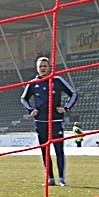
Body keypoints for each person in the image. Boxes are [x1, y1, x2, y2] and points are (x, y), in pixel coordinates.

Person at [20, 56, 78, 187]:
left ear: (49, 67)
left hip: (56, 121)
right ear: (37, 68)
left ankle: (62, 179)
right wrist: (30, 110)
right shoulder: (33, 83)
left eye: (44, 66)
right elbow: (23, 99)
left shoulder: (57, 80)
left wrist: (66, 108)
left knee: (59, 150)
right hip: (40, 122)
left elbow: (73, 93)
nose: (42, 68)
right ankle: (50, 178)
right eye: (40, 66)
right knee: (45, 151)